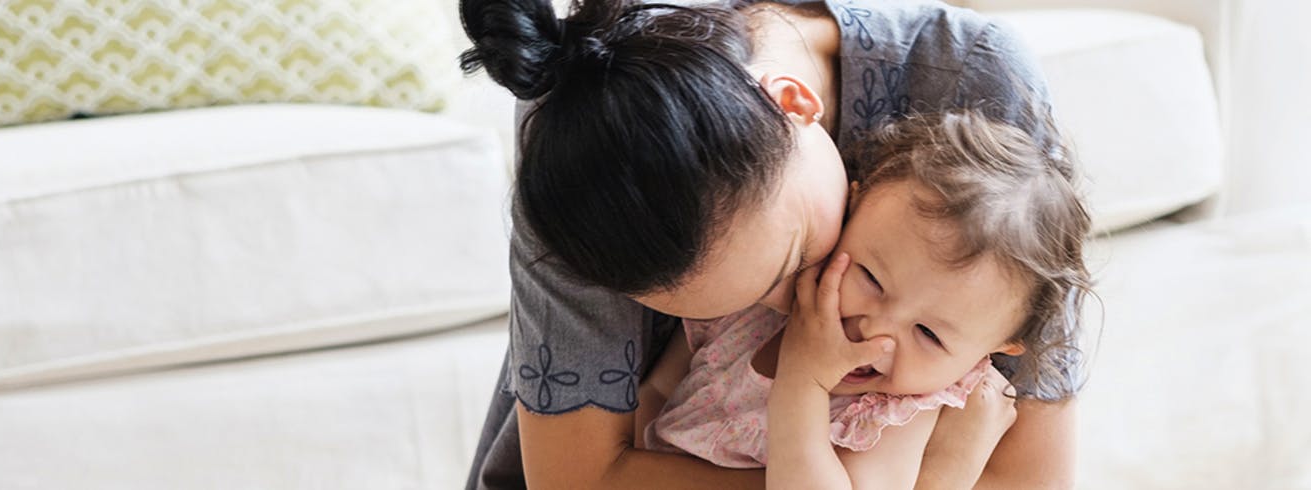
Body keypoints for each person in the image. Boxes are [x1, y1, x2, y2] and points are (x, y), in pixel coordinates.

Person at [459, 0, 1080, 487]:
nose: (796, 310)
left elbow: (1028, 477)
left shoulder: (972, 81)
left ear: (795, 102)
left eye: (799, 261)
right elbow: (578, 480)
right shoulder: (582, 146)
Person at [638, 110, 1091, 489]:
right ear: (850, 211)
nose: (876, 331)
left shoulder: (896, 413)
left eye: (929, 334)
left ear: (997, 348)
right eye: (871, 279)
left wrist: (805, 381)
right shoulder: (759, 309)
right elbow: (659, 392)